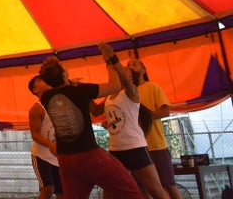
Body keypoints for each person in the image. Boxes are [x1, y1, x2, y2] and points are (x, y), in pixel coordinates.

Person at [38, 44, 144, 199]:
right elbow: (114, 86)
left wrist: (69, 82)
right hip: (89, 155)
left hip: (65, 159)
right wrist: (108, 61)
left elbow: (61, 91)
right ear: (63, 74)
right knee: (130, 191)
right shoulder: (80, 91)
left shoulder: (46, 97)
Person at [91, 66, 169, 199]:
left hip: (134, 148)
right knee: (110, 190)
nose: (120, 69)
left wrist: (114, 62)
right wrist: (84, 93)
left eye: (125, 69)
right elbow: (96, 111)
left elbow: (126, 81)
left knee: (156, 190)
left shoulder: (131, 92)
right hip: (116, 149)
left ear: (130, 77)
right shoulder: (109, 96)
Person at [128, 58, 182, 199]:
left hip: (156, 145)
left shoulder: (153, 87)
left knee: (169, 185)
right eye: (127, 66)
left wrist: (143, 118)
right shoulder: (125, 93)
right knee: (142, 188)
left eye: (134, 64)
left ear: (143, 70)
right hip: (137, 147)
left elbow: (165, 111)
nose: (130, 67)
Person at [27, 75, 63, 199]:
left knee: (62, 192)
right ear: (35, 90)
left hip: (57, 156)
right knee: (48, 187)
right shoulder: (37, 108)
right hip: (41, 155)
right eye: (41, 80)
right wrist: (49, 144)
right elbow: (35, 134)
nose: (45, 80)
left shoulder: (58, 103)